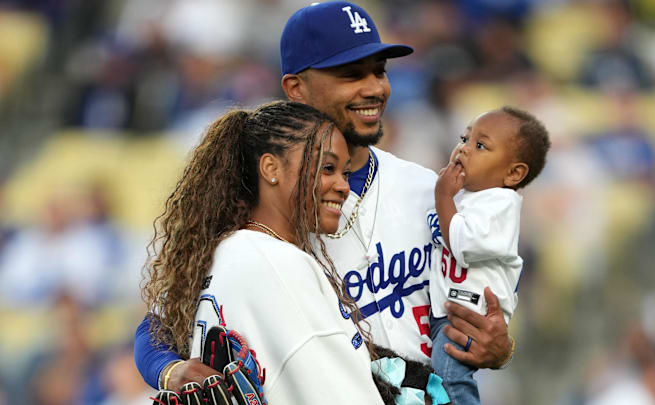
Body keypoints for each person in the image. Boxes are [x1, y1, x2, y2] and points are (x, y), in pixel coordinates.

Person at [135, 0, 515, 394]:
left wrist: (499, 347)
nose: (375, 88)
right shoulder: (265, 213)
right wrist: (172, 371)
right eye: (351, 74)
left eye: (379, 71)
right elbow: (159, 325)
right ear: (295, 88)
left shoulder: (427, 193)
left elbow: (475, 315)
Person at [142, 100, 385, 403]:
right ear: (271, 168)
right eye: (328, 168)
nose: (343, 186)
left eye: (345, 173)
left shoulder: (218, 254)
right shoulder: (278, 263)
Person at [427, 106, 550, 402]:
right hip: (451, 307)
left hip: (472, 315)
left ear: (513, 173)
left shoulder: (501, 205)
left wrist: (443, 196)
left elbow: (463, 242)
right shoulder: (469, 196)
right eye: (464, 138)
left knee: (448, 378)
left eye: (480, 145)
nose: (464, 149)